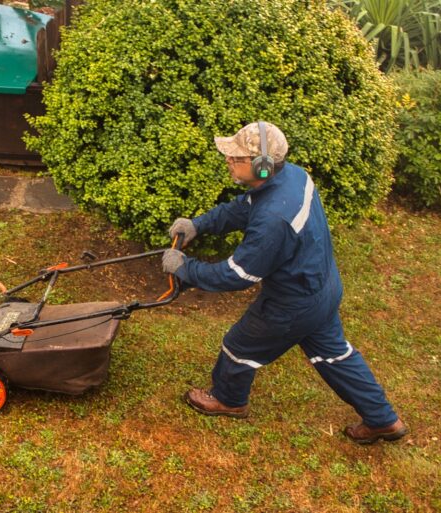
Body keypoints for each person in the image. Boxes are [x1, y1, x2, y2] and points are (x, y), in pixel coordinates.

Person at [162, 121, 407, 444]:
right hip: (323, 287)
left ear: (262, 166)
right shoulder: (293, 176)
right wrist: (199, 224)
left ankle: (228, 400)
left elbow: (237, 275)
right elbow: (243, 208)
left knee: (238, 346)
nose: (228, 161)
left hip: (291, 304)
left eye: (236, 158)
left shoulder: (274, 220)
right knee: (334, 355)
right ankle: (383, 419)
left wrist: (186, 268)